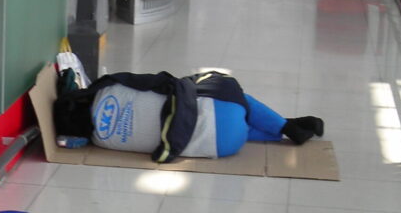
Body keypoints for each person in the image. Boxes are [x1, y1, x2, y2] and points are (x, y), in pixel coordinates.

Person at [54, 69, 324, 163]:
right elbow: (161, 80)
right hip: (228, 111)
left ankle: (283, 130)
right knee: (228, 94)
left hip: (224, 146)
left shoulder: (100, 141)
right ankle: (286, 125)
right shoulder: (109, 88)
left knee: (228, 123)